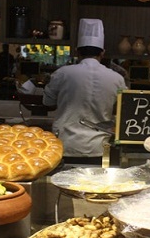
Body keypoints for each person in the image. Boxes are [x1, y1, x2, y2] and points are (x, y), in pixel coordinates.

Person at [43, 18, 127, 163]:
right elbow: (123, 109)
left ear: (77, 52)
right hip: (99, 148)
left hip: (65, 145)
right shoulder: (116, 78)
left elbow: (47, 102)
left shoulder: (63, 73)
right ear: (103, 53)